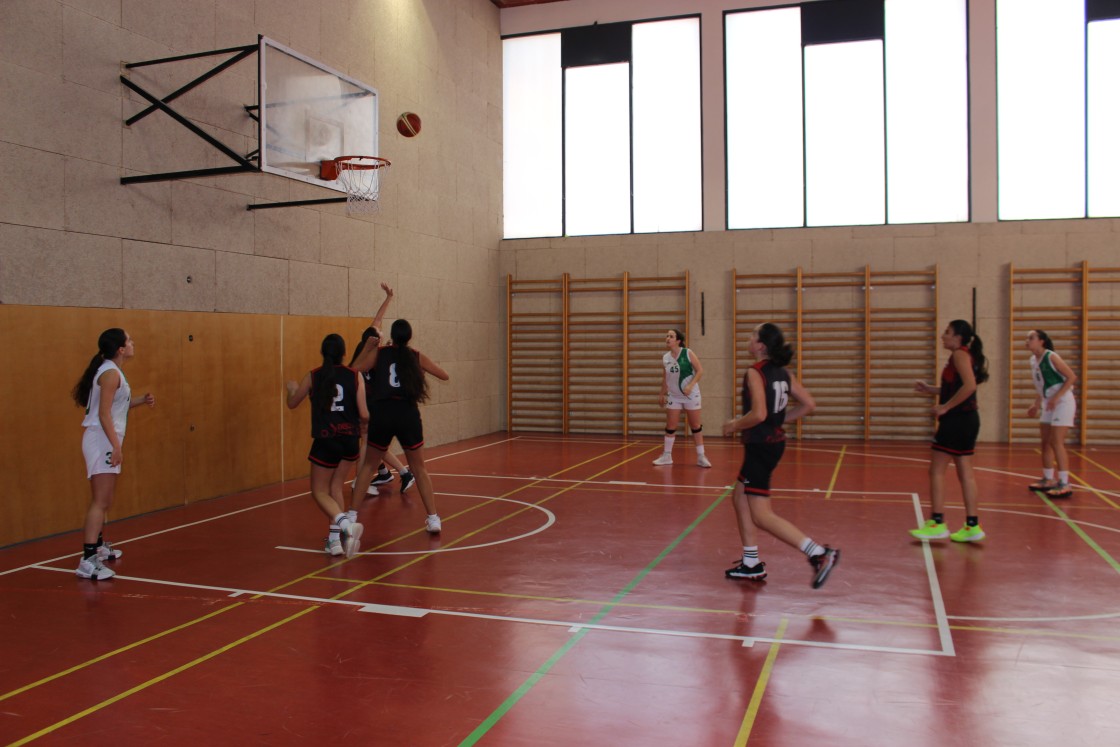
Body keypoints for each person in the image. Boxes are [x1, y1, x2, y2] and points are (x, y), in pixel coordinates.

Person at [722, 322, 839, 588]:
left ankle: (819, 554)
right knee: (739, 497)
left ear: (760, 345)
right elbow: (809, 404)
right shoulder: (783, 373)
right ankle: (750, 564)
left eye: (753, 335)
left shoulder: (755, 372)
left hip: (761, 447)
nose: (749, 338)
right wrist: (779, 421)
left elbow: (759, 414)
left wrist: (734, 424)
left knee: (762, 515)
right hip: (772, 443)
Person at [350, 319, 450, 534]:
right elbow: (444, 375)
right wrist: (420, 372)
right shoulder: (415, 355)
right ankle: (433, 518)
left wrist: (367, 348)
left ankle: (350, 517)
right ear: (409, 336)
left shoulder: (381, 353)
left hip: (383, 413)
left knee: (368, 467)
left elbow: (354, 370)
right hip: (407, 415)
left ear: (392, 336)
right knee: (419, 468)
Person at [72, 328, 155, 580]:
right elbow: (103, 414)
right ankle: (87, 560)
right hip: (102, 441)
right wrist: (116, 447)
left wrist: (141, 399)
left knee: (103, 498)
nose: (132, 343)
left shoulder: (112, 371)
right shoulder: (109, 374)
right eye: (129, 340)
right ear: (120, 349)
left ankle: (96, 546)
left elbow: (116, 405)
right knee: (101, 500)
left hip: (105, 439)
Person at [286, 334, 367, 558]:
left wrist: (291, 388)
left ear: (323, 352)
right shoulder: (355, 376)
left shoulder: (314, 376)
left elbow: (293, 403)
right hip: (349, 440)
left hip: (326, 440)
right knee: (335, 488)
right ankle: (334, 541)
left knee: (319, 491)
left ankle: (346, 526)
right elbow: (364, 414)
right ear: (343, 353)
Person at [909, 319, 990, 542]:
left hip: (957, 421)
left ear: (957, 337)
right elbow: (958, 388)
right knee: (965, 473)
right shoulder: (963, 355)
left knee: (936, 471)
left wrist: (945, 407)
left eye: (947, 332)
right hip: (967, 419)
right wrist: (932, 390)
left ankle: (937, 522)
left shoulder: (959, 355)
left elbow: (970, 387)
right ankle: (972, 525)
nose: (943, 336)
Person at [348, 283, 416, 500]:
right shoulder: (375, 355)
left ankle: (382, 475)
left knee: (370, 444)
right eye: (379, 332)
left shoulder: (367, 346)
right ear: (375, 339)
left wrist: (388, 297)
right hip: (367, 403)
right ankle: (392, 473)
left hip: (370, 404)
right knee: (370, 444)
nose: (380, 330)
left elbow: (377, 320)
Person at [1025, 329, 1078, 498]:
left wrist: (1056, 397)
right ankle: (1048, 479)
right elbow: (1041, 385)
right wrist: (1036, 403)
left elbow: (1071, 377)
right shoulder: (1033, 360)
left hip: (1063, 401)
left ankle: (1065, 483)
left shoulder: (1051, 356)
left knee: (1056, 442)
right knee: (1045, 442)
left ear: (1041, 341)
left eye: (1031, 338)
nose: (1027, 341)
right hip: (1049, 402)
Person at [653, 329, 711, 468]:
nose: (668, 338)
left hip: (691, 394)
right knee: (671, 427)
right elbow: (665, 377)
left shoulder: (687, 353)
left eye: (671, 336)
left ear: (678, 340)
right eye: (667, 335)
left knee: (695, 426)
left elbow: (700, 370)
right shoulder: (665, 358)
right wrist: (662, 393)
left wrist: (691, 385)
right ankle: (667, 456)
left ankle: (701, 456)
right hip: (674, 396)